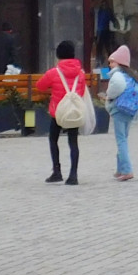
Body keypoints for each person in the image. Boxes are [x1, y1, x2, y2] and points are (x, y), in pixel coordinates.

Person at [33, 40, 89, 186]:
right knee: (73, 142)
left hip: (57, 112)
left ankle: (57, 171)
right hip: (73, 112)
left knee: (53, 140)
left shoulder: (54, 72)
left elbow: (40, 86)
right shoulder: (80, 73)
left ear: (58, 55)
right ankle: (73, 175)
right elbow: (81, 92)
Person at [103, 43, 138, 181]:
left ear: (119, 62)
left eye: (112, 61)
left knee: (121, 140)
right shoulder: (132, 76)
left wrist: (109, 96)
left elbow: (116, 88)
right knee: (124, 138)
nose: (110, 64)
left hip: (119, 110)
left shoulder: (117, 76)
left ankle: (126, 170)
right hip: (130, 110)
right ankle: (120, 169)